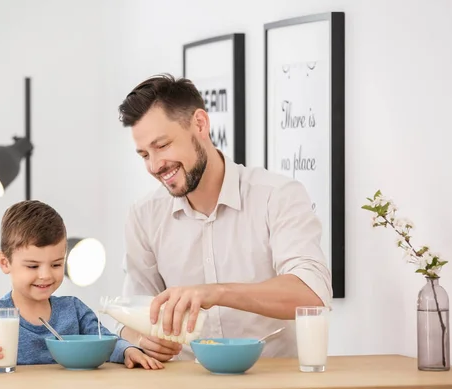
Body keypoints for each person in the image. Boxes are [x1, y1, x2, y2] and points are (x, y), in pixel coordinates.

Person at [116, 74, 332, 361]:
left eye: (163, 145)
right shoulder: (144, 216)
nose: (155, 166)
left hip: (272, 380)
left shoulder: (277, 196)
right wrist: (140, 339)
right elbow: (130, 313)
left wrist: (215, 293)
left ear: (200, 124)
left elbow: (312, 294)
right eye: (144, 154)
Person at [0, 200, 163, 372]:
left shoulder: (74, 310)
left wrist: (129, 351)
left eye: (55, 264)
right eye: (32, 266)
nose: (45, 276)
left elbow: (106, 342)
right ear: (5, 262)